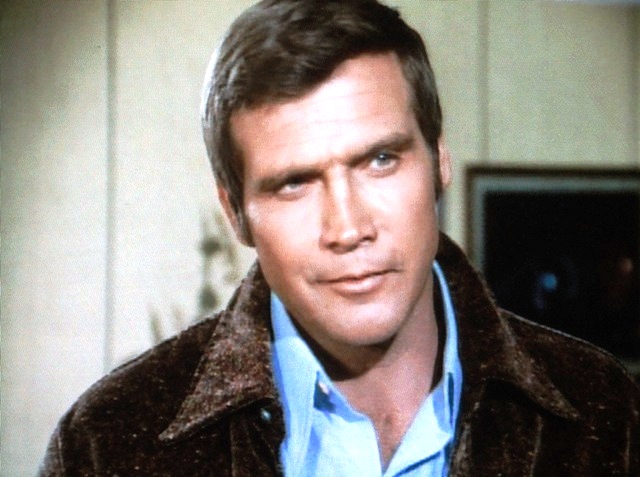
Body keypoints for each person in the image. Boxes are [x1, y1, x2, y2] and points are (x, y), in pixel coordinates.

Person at [40, 1, 639, 475]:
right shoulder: (108, 442)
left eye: (380, 160)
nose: (349, 229)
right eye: (294, 183)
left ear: (439, 161)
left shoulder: (604, 413)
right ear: (236, 214)